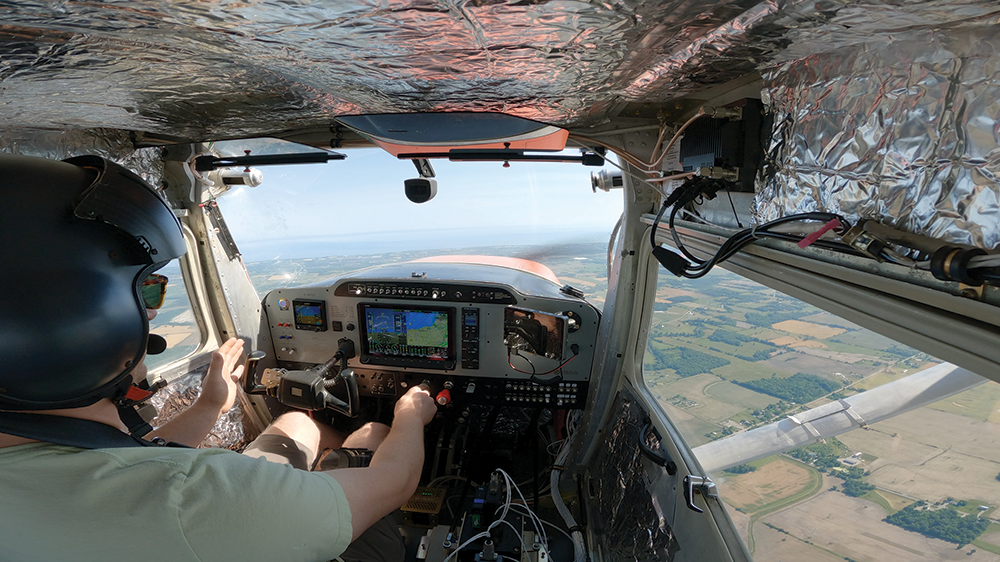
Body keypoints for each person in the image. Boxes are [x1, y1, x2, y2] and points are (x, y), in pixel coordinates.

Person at [0, 154, 437, 561]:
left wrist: (210, 405)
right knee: (373, 437)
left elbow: (125, 464)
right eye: (146, 290)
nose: (150, 313)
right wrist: (411, 414)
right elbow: (396, 483)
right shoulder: (194, 500)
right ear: (71, 322)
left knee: (297, 423)